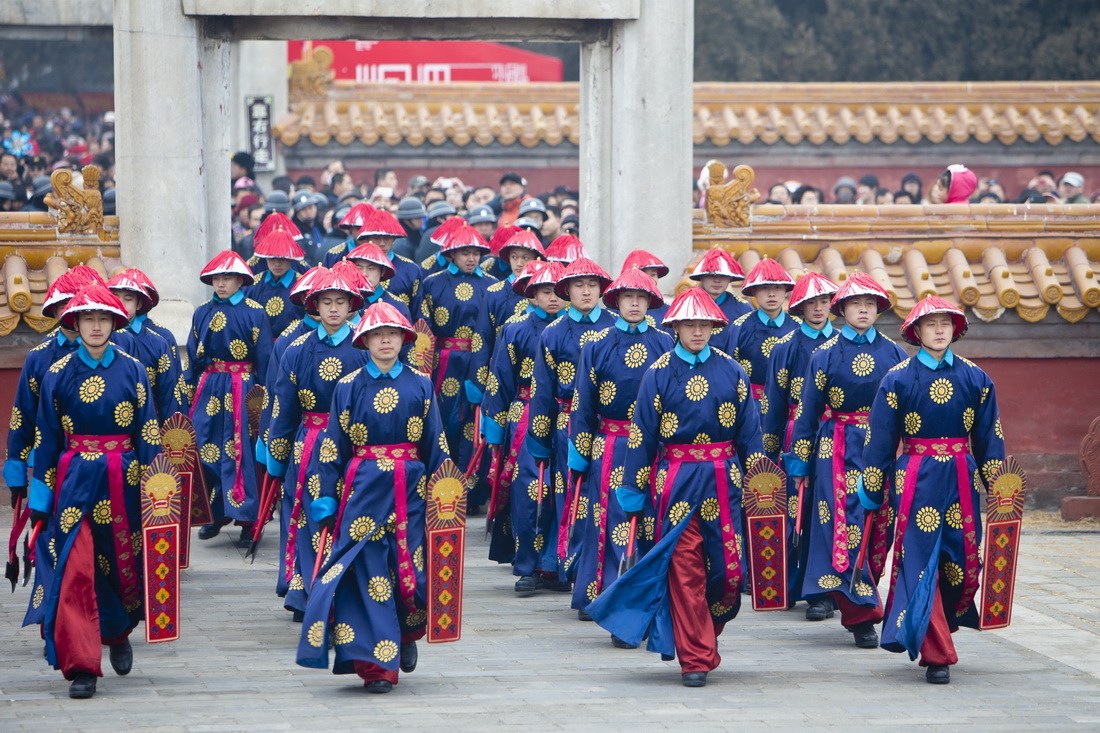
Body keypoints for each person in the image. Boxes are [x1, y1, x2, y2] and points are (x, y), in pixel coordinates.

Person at [587, 286, 765, 687]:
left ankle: (702, 631)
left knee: (728, 573)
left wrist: (760, 481)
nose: (697, 331)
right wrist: (633, 490)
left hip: (724, 481)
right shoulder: (658, 373)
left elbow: (750, 435)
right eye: (689, 324)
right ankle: (694, 657)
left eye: (704, 324)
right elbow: (642, 438)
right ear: (676, 327)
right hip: (676, 483)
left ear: (715, 327)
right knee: (684, 570)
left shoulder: (733, 371)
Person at [295, 301, 449, 693]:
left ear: (403, 339)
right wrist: (325, 496)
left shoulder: (421, 383)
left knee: (409, 569)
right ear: (364, 340)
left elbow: (436, 441)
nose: (385, 341)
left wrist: (446, 490)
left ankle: (406, 635)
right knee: (366, 572)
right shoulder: (348, 386)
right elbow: (332, 446)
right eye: (377, 334)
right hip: (362, 489)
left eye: (392, 334)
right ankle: (377, 665)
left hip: (410, 489)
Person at [23, 283, 162, 699]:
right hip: (73, 482)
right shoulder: (57, 374)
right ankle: (82, 664)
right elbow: (47, 439)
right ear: (75, 323)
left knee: (120, 564)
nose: (96, 326)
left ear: (115, 323)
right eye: (88, 319)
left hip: (124, 479)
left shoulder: (134, 370)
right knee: (76, 569)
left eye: (103, 318)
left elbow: (148, 432)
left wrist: (158, 491)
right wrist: (40, 500)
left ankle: (117, 633)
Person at [860, 295, 1007, 685]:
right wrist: (872, 488)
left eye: (946, 323)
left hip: (961, 476)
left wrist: (999, 487)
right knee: (920, 561)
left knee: (961, 561)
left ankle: (941, 621)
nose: (939, 330)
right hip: (915, 478)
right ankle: (937, 653)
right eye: (931, 324)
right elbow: (880, 440)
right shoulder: (897, 379)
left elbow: (989, 438)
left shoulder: (976, 379)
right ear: (916, 332)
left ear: (955, 330)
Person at [784, 273, 907, 643]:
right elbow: (807, 413)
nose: (864, 310)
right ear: (842, 309)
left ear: (879, 309)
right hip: (836, 447)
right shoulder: (824, 355)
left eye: (870, 303)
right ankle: (861, 615)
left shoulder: (895, 355)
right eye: (856, 304)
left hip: (882, 450)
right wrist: (800, 463)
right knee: (845, 526)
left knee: (879, 526)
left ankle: (862, 591)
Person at [565, 267, 673, 628]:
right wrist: (580, 453)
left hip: (654, 448)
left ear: (651, 302)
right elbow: (583, 405)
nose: (635, 303)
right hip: (610, 444)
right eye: (628, 297)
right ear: (616, 300)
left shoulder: (665, 344)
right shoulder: (597, 345)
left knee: (648, 522)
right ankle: (600, 592)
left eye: (642, 297)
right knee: (607, 518)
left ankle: (644, 597)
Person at [266, 270, 369, 619]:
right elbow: (283, 409)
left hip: (353, 446)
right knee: (305, 516)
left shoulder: (364, 346)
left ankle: (343, 590)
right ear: (314, 306)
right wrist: (277, 454)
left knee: (348, 515)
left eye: (341, 302)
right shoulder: (296, 350)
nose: (334, 309)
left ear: (352, 306)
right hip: (309, 443)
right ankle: (304, 591)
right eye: (327, 302)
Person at [524, 257, 615, 591]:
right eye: (579, 285)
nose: (586, 291)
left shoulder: (616, 327)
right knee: (567, 495)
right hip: (566, 425)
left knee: (605, 498)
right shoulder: (553, 333)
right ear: (566, 290)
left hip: (609, 429)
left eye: (592, 285)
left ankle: (601, 568)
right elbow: (542, 390)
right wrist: (539, 438)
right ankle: (565, 562)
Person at [760, 271, 839, 602]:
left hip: (838, 436)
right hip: (796, 435)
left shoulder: (845, 344)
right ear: (800, 307)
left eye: (824, 301)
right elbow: (774, 404)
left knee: (833, 511)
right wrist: (769, 453)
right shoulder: (785, 347)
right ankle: (795, 585)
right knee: (798, 510)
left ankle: (830, 588)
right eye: (811, 302)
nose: (818, 308)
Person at [481, 261, 565, 568]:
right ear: (532, 295)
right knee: (528, 489)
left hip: (566, 416)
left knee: (562, 488)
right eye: (545, 291)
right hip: (524, 415)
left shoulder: (576, 331)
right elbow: (500, 380)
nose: (553, 298)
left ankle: (554, 563)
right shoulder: (515, 329)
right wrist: (494, 428)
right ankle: (526, 561)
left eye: (558, 292)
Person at [185, 251, 272, 544]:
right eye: (217, 278)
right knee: (204, 445)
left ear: (240, 280)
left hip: (243, 386)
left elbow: (265, 358)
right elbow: (193, 353)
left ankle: (248, 520)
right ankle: (217, 511)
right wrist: (188, 389)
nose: (221, 283)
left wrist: (264, 399)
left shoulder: (255, 312)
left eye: (228, 277)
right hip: (210, 385)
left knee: (242, 451)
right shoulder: (201, 312)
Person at [4, 266, 103, 505]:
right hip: (51, 462)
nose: (73, 309)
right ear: (55, 310)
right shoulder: (39, 357)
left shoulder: (118, 353)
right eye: (66, 304)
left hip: (105, 462)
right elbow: (23, 415)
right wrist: (17, 472)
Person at [416, 221, 496, 508]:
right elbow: (423, 329)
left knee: (473, 425)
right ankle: (438, 487)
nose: (471, 258)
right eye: (464, 252)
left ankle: (471, 492)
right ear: (450, 254)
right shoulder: (432, 283)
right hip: (443, 362)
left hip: (479, 361)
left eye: (476, 252)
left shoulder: (491, 286)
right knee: (441, 422)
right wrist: (423, 368)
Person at [106, 269, 187, 422]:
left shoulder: (158, 342)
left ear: (139, 304)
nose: (120, 303)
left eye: (128, 299)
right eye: (114, 297)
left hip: (150, 424)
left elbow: (170, 395)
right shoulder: (97, 339)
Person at [733, 258, 798, 401]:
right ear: (754, 291)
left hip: (788, 406)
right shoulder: (740, 326)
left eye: (777, 288)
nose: (771, 294)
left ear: (786, 291)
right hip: (750, 404)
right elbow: (729, 371)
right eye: (764, 288)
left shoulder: (797, 327)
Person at [245, 223, 306, 339]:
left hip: (293, 344)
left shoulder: (303, 286)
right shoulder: (254, 284)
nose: (277, 263)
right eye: (272, 258)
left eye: (282, 258)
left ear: (291, 258)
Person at [687, 249, 751, 356]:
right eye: (711, 275)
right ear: (701, 277)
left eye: (723, 275)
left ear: (730, 278)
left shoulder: (743, 308)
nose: (717, 280)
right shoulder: (686, 305)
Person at [486, 229, 546, 338]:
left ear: (537, 259)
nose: (519, 263)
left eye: (525, 258)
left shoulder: (548, 291)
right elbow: (483, 335)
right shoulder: (494, 292)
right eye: (514, 257)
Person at [619, 249, 671, 327]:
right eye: (642, 274)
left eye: (653, 274)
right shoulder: (611, 315)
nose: (649, 280)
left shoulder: (668, 312)